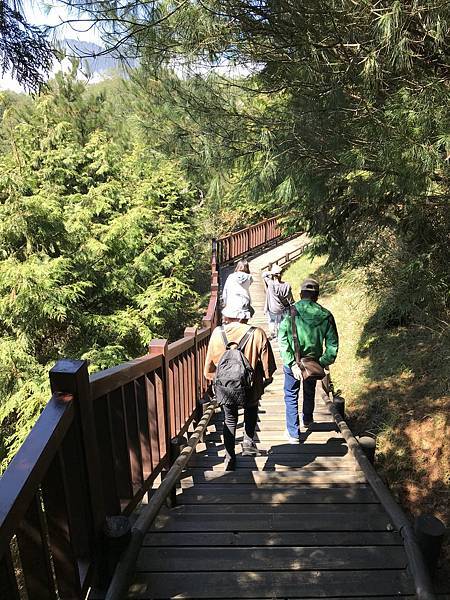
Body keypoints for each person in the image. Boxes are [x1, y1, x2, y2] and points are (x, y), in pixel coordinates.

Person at [204, 307, 276, 470]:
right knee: (251, 408)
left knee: (229, 419)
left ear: (227, 315)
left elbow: (209, 367)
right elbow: (268, 368)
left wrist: (214, 379)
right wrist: (266, 379)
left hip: (226, 387)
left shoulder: (217, 333)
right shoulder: (257, 333)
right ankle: (248, 443)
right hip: (250, 386)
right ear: (247, 315)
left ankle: (229, 458)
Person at [278, 278, 339, 443]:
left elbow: (282, 338)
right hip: (313, 362)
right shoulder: (326, 315)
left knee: (291, 394)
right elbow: (332, 344)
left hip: (294, 362)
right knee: (310, 388)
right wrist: (322, 362)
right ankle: (308, 419)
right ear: (317, 296)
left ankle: (293, 433)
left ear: (300, 294)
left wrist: (291, 362)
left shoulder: (290, 312)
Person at [262, 263, 293, 339]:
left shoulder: (270, 283)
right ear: (281, 274)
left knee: (272, 321)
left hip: (272, 307)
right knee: (280, 322)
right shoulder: (286, 285)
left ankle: (273, 334)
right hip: (281, 308)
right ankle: (279, 335)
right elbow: (290, 300)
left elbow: (264, 275)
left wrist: (272, 272)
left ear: (273, 275)